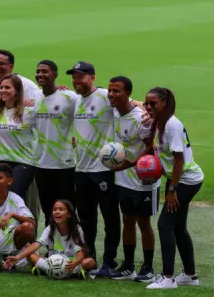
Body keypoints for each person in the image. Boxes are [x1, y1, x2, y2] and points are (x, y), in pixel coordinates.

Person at [145, 87, 205, 290]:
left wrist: (172, 190)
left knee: (165, 224)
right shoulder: (160, 123)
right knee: (178, 227)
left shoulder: (172, 125)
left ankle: (168, 278)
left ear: (164, 103)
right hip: (179, 180)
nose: (148, 107)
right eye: (147, 103)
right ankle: (190, 275)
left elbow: (179, 159)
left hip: (186, 181)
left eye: (153, 103)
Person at [67, 60, 120, 277]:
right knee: (86, 219)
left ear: (92, 77)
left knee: (109, 217)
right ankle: (91, 260)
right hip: (81, 170)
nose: (76, 80)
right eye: (74, 77)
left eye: (80, 76)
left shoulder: (106, 96)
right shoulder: (76, 100)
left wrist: (143, 109)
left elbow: (132, 103)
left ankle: (110, 261)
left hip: (103, 169)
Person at [107, 76, 159, 282]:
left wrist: (131, 163)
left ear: (127, 93)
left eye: (116, 91)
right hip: (123, 178)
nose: (111, 95)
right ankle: (128, 265)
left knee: (143, 222)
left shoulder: (141, 118)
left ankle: (147, 267)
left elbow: (150, 147)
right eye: (110, 91)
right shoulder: (113, 111)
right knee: (127, 219)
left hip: (143, 179)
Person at [32, 60, 78, 224]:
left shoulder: (69, 97)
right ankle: (51, 244)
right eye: (38, 71)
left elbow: (85, 113)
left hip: (63, 163)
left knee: (68, 209)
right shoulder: (35, 98)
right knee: (48, 209)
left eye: (45, 71)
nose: (40, 74)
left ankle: (71, 244)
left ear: (55, 74)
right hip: (41, 163)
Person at [4, 199, 94, 279]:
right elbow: (37, 244)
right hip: (51, 263)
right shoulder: (51, 228)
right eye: (55, 209)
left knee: (90, 262)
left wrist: (75, 263)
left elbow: (80, 251)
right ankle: (73, 273)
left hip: (70, 263)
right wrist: (17, 257)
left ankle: (50, 271)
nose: (57, 212)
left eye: (61, 209)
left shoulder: (76, 229)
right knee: (31, 255)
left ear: (69, 214)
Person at [0, 74, 36, 198]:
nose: (3, 90)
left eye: (7, 88)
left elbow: (46, 128)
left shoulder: (28, 112)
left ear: (17, 91)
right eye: (1, 87)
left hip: (23, 162)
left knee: (13, 196)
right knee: (1, 198)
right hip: (2, 161)